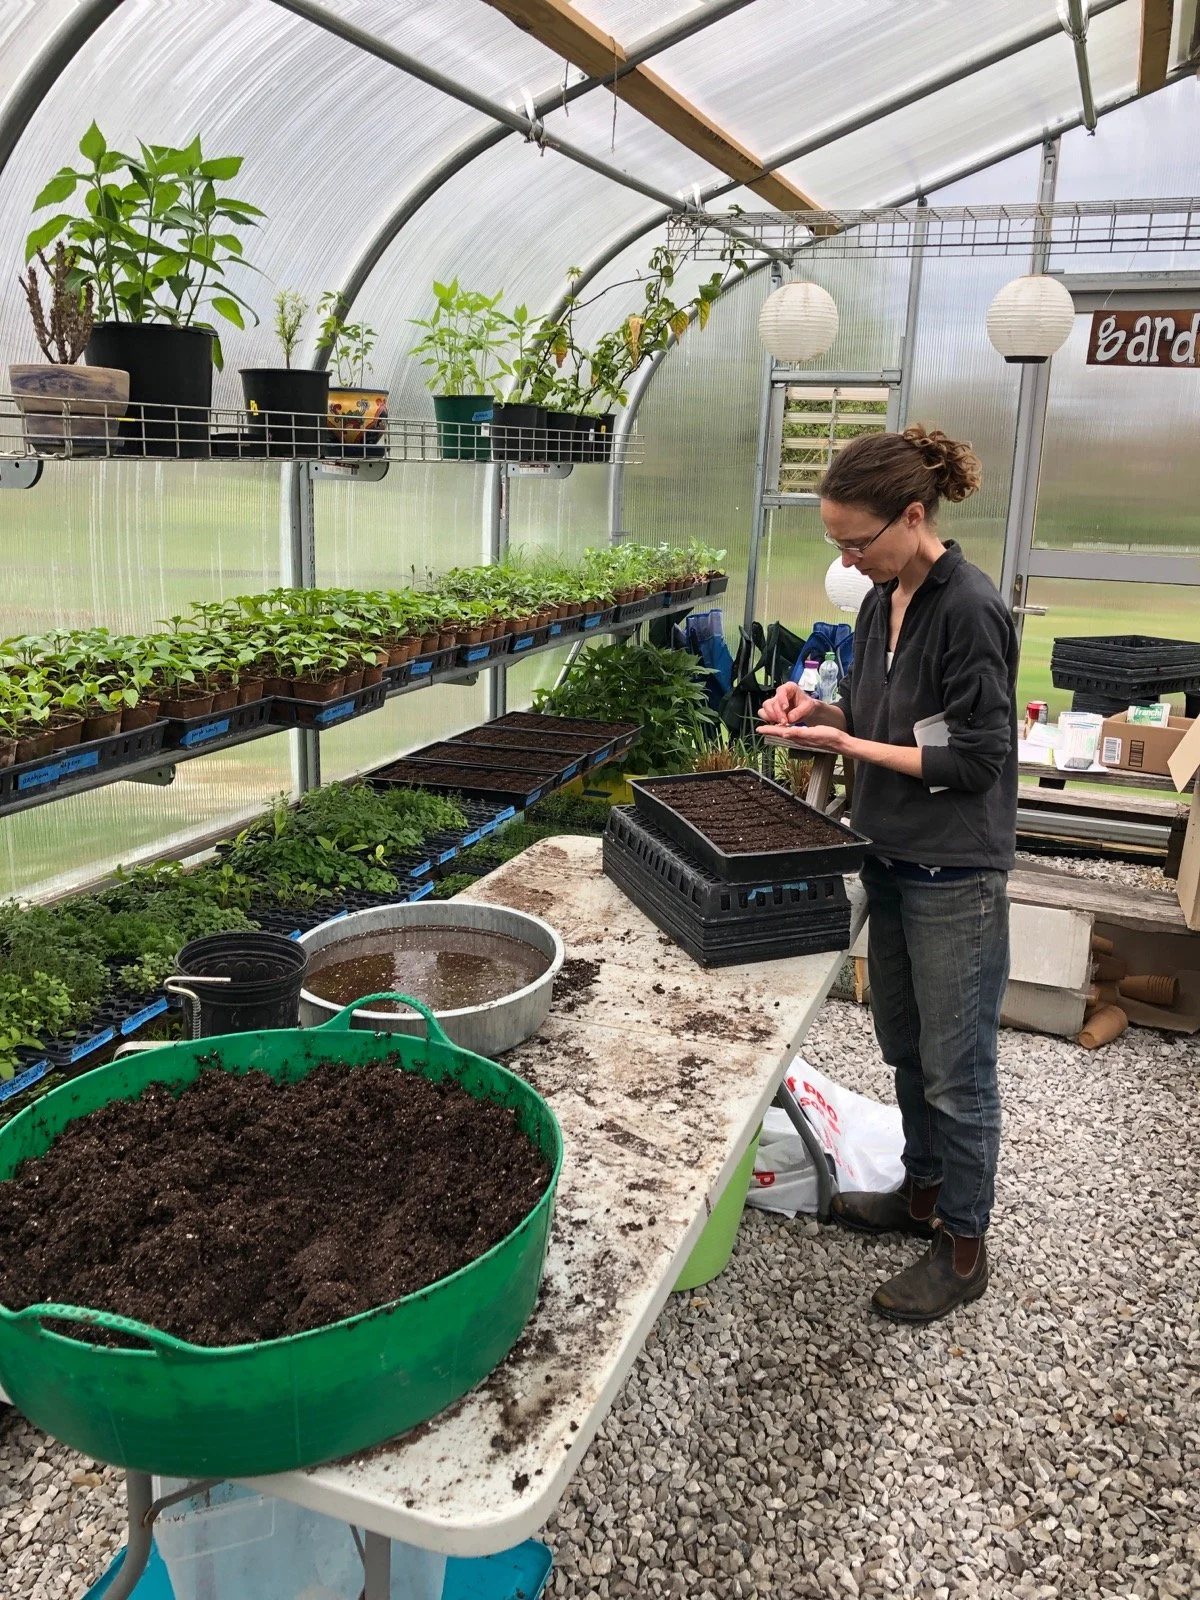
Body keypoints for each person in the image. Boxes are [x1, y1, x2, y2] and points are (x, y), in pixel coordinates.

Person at [758, 425, 1017, 1324]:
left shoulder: (970, 610)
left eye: (856, 542)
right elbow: (879, 716)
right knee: (905, 1046)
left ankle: (963, 1243)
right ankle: (918, 1197)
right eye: (835, 544)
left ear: (913, 517)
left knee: (958, 1069)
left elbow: (973, 760)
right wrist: (814, 712)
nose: (847, 558)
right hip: (891, 857)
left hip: (954, 872)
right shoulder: (882, 601)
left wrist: (846, 743)